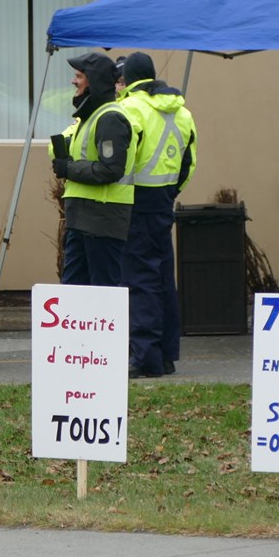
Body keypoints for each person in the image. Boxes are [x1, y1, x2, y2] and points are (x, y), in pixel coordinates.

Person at [118, 53, 198, 378]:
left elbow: (119, 161)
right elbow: (188, 164)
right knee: (164, 278)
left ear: (129, 78)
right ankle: (166, 355)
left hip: (134, 201)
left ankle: (146, 358)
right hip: (163, 200)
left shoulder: (128, 109)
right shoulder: (182, 112)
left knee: (140, 280)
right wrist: (169, 191)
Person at [52, 52, 137, 288]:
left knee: (103, 294)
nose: (73, 81)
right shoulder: (92, 116)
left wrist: (68, 168)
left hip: (102, 221)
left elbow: (110, 169)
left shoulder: (110, 118)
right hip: (85, 220)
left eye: (79, 76)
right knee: (74, 291)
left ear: (95, 81)